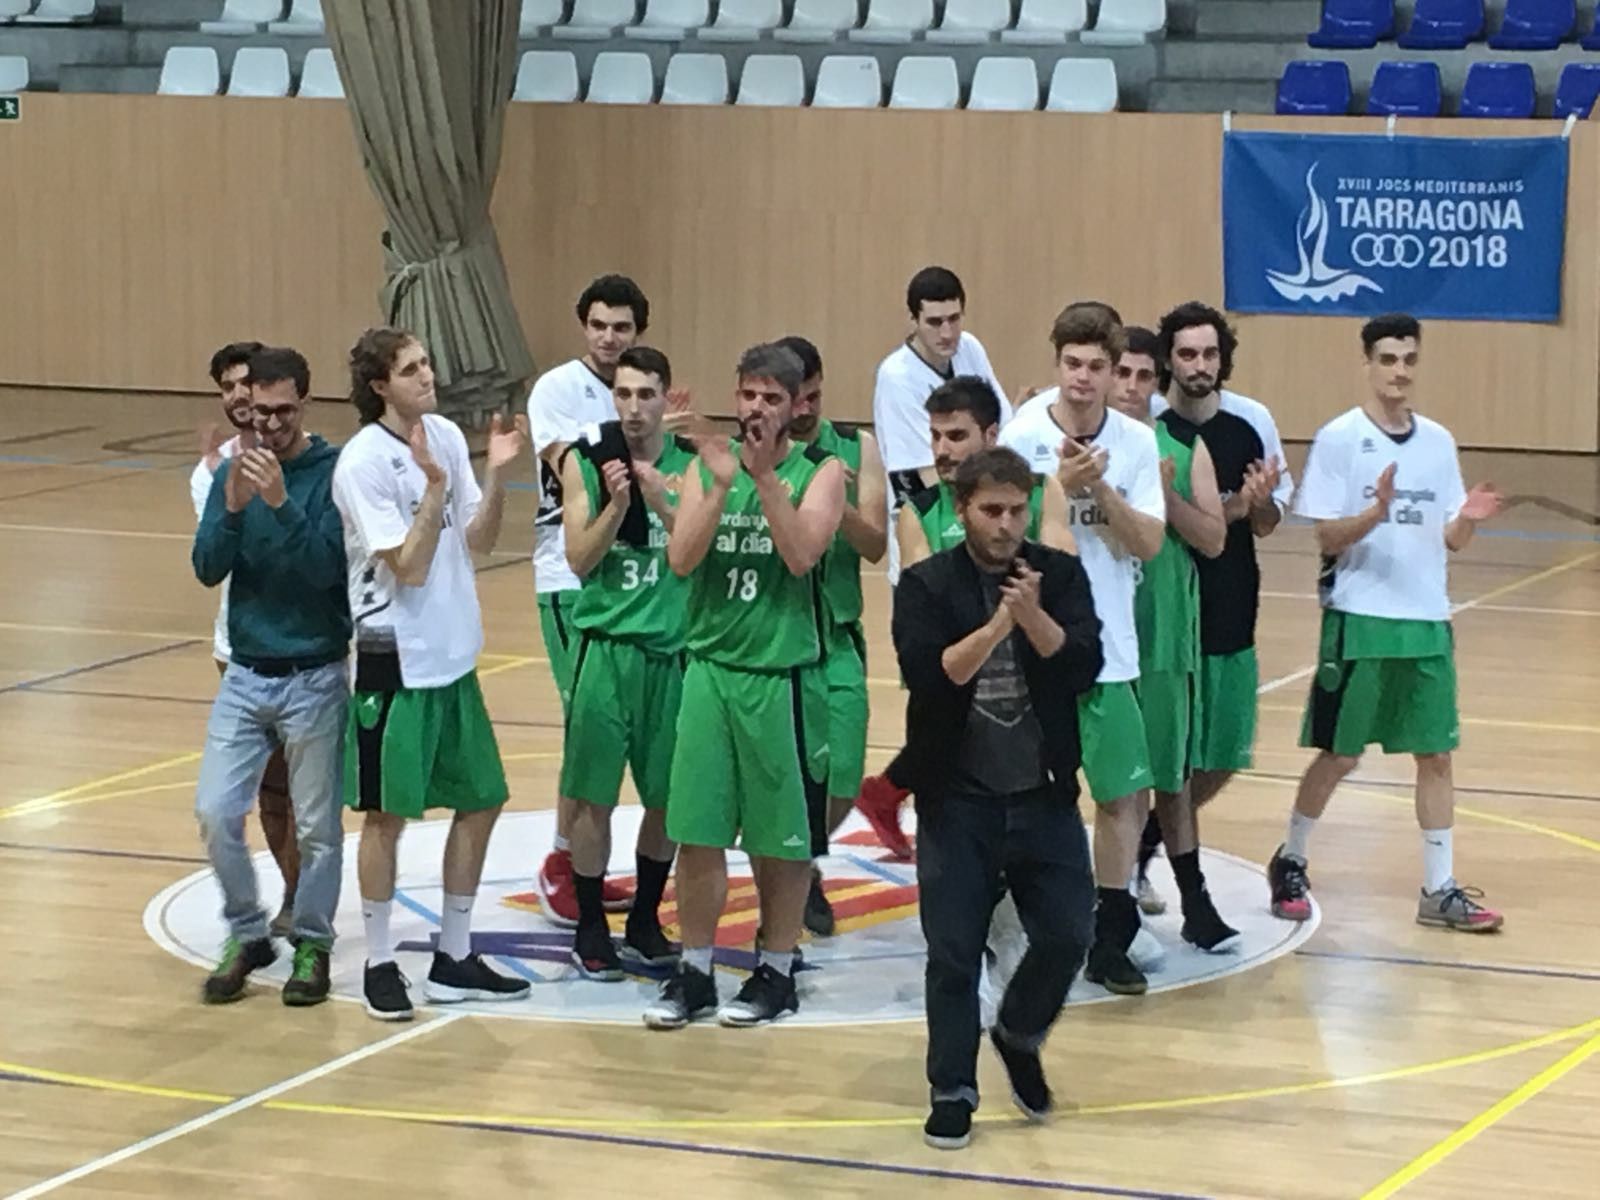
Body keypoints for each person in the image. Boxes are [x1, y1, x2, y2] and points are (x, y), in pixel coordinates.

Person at [894, 447, 1102, 1151]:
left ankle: (1017, 1032)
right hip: (958, 799)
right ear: (962, 511)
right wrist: (998, 627)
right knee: (952, 953)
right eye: (992, 510)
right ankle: (952, 1088)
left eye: (1018, 509)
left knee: (1071, 932)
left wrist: (1036, 617)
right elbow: (932, 674)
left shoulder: (1061, 574)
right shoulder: (926, 584)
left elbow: (1082, 665)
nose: (1007, 524)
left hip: (1042, 796)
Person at [1270, 314, 1505, 932]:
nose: (1399, 370)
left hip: (1426, 620)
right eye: (1388, 359)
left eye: (1409, 359)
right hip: (1361, 619)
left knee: (1437, 756)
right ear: (1368, 363)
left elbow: (1451, 537)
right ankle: (1291, 857)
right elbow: (1326, 536)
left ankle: (1439, 888)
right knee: (1340, 755)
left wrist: (1472, 517)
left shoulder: (1438, 442)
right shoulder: (1341, 438)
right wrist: (1376, 510)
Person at [642, 343, 845, 1030]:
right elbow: (679, 559)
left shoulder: (822, 471)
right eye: (748, 395)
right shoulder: (709, 465)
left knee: (778, 840)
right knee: (695, 832)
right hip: (708, 671)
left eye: (771, 398)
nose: (756, 409)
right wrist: (722, 484)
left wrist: (761, 482)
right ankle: (694, 971)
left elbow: (800, 554)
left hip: (779, 676)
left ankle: (775, 971)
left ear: (797, 406)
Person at [333, 327, 532, 1021]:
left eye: (427, 362)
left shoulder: (444, 434)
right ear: (379, 384)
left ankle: (453, 955)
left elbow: (477, 538)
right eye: (412, 368)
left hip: (454, 654)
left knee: (482, 799)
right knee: (386, 816)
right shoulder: (364, 462)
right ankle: (380, 963)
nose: (429, 375)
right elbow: (408, 564)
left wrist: (498, 471)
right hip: (395, 661)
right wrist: (435, 488)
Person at [999, 302, 1166, 995]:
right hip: (1036, 650)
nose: (1084, 378)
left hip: (1111, 649)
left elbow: (1150, 543)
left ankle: (1113, 931)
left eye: (1098, 366)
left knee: (1125, 796)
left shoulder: (1134, 441)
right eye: (1072, 364)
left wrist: (1100, 488)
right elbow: (997, 541)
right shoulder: (1023, 432)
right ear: (1056, 363)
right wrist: (1055, 494)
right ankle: (1024, 929)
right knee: (1032, 796)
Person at [856, 375, 1075, 860]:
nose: (941, 449)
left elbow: (1061, 581)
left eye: (955, 436)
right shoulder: (920, 508)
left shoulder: (1038, 493)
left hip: (1029, 684)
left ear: (991, 436)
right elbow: (923, 599)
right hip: (960, 672)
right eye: (935, 436)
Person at [191, 346, 349, 1006]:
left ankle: (311, 940)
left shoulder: (335, 472)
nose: (272, 425)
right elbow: (206, 568)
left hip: (314, 671)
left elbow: (327, 574)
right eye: (260, 412)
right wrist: (229, 506)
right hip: (247, 673)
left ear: (304, 404)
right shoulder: (233, 467)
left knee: (315, 827)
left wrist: (281, 504)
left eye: (284, 411)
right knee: (215, 811)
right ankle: (247, 931)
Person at [559, 346, 695, 979]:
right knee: (592, 800)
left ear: (667, 398)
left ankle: (644, 916)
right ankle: (590, 924)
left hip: (670, 656)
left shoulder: (689, 467)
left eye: (646, 394)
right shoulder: (588, 466)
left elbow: (699, 555)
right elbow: (579, 560)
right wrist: (618, 504)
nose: (634, 408)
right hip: (606, 652)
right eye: (623, 395)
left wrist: (661, 500)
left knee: (666, 802)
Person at [1108, 327, 1240, 952]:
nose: (1132, 387)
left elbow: (1214, 540)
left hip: (1161, 638)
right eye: (1122, 374)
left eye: (1142, 376)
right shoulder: (1072, 448)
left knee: (1170, 778)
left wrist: (1165, 495)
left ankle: (1194, 901)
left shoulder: (1183, 451)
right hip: (1095, 639)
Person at [528, 274, 651, 926]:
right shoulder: (556, 389)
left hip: (627, 580)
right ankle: (560, 859)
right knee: (587, 725)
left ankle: (582, 857)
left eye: (622, 328)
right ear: (584, 326)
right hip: (567, 576)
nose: (609, 338)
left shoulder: (636, 389)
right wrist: (634, 430)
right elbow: (567, 463)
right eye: (600, 325)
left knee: (612, 732)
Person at [1151, 303, 1293, 825]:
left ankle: (1146, 843)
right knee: (1173, 758)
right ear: (1169, 360)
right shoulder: (1150, 431)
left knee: (1226, 752)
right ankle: (1143, 857)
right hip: (1170, 612)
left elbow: (1266, 523)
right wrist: (1228, 510)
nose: (1199, 365)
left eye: (1209, 353)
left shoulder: (1248, 427)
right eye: (1187, 354)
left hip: (1233, 604)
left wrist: (1255, 504)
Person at [778, 334, 888, 937]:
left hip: (838, 635)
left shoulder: (855, 446)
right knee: (787, 774)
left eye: (815, 395)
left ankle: (807, 858)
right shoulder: (761, 457)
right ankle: (796, 872)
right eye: (797, 398)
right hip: (779, 634)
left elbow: (874, 545)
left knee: (843, 774)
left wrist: (836, 495)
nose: (807, 408)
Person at [191, 340, 300, 940]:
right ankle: (278, 901)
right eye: (227, 386)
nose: (237, 396)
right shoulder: (211, 473)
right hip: (238, 648)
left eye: (246, 385)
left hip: (303, 646)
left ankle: (301, 897)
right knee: (262, 789)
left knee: (296, 789)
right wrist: (225, 496)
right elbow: (216, 558)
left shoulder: (307, 463)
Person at [871, 266, 1014, 587]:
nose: (947, 333)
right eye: (935, 322)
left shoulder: (970, 347)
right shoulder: (896, 377)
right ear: (913, 320)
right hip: (929, 534)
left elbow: (1004, 427)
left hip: (979, 535)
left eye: (954, 319)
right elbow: (911, 478)